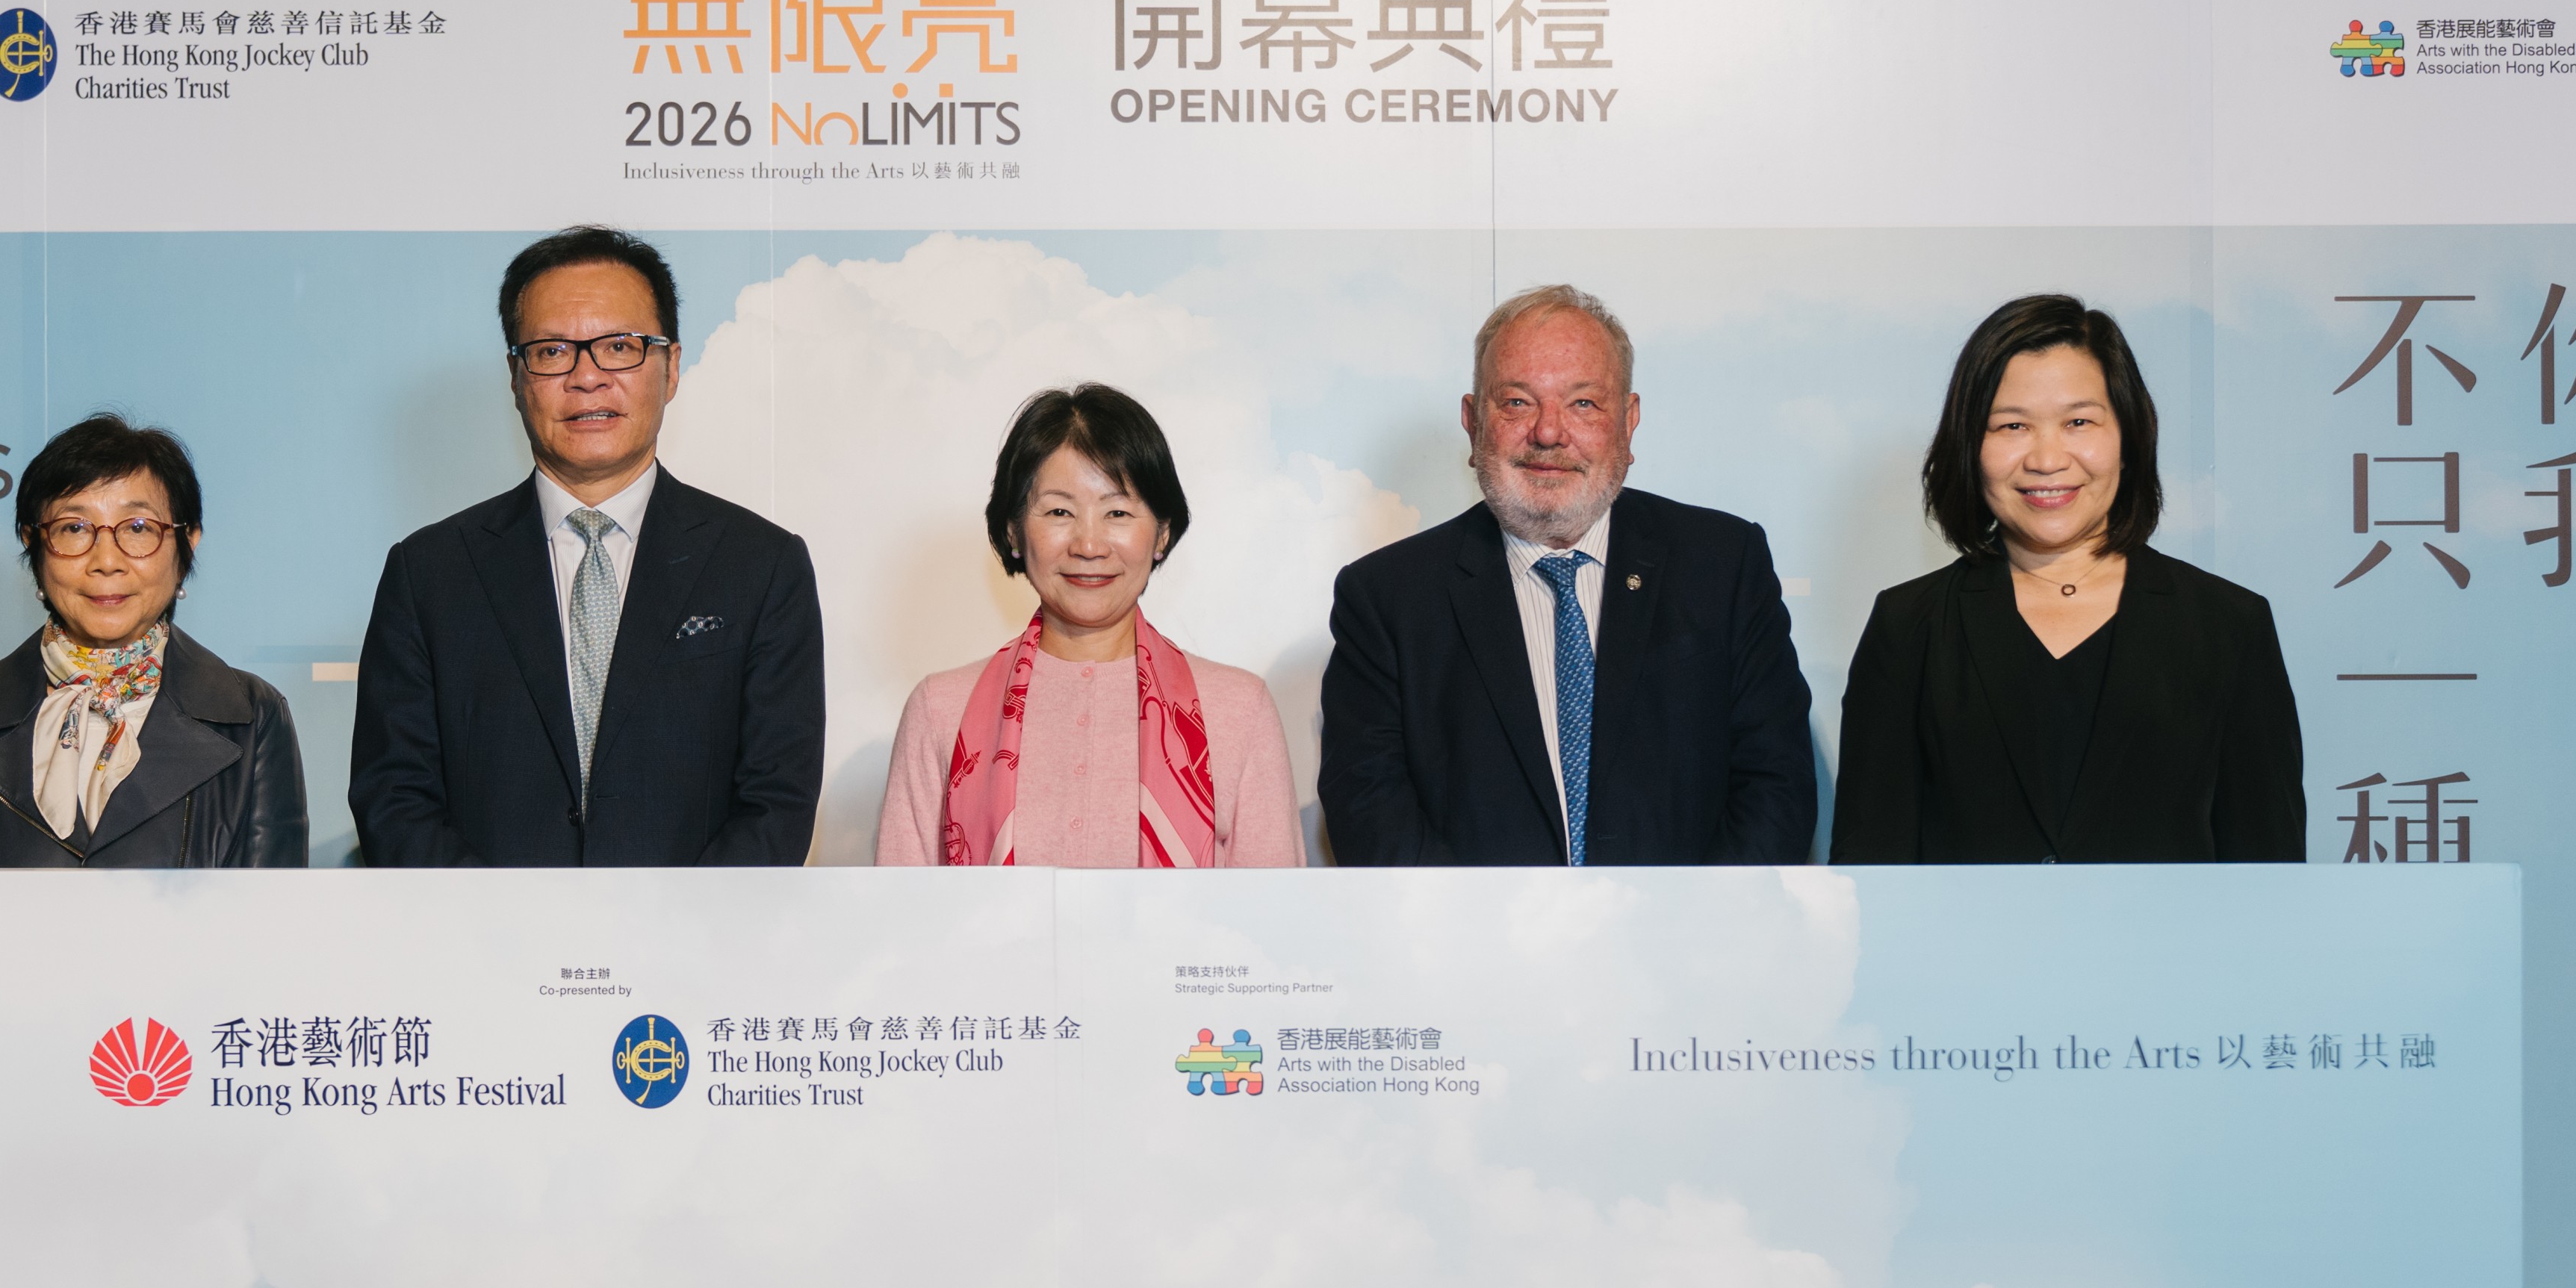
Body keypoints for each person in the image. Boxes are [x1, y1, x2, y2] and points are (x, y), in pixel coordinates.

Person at [350, 227, 827, 866]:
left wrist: (674, 943)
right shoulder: (428, 574)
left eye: (619, 347)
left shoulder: (762, 566)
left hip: (693, 953)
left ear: (672, 366)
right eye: (551, 352)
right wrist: (506, 939)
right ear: (517, 378)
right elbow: (394, 798)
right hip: (483, 953)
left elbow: (776, 800)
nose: (587, 377)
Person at [1317, 284, 1815, 865]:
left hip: (1690, 944)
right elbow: (1370, 810)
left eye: (1583, 403)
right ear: (1473, 421)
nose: (1549, 434)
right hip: (1469, 950)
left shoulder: (1723, 566)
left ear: (1627, 422)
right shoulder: (1386, 599)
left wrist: (1695, 939)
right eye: (1517, 403)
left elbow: (1774, 786)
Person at [1830, 296, 2304, 862]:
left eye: (2078, 422)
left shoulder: (2228, 624)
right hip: (1969, 952)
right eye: (2011, 426)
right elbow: (1871, 866)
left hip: (2171, 953)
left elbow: (2266, 867)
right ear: (1969, 446)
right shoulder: (1909, 626)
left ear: (2127, 436)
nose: (2047, 458)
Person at [878, 387, 1303, 868]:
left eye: (1118, 512)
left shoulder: (1240, 711)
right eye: (1059, 511)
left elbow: (1274, 928)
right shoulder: (939, 711)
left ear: (1161, 532)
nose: (1089, 544)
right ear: (1015, 530)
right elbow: (902, 925)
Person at [0, 414, 305, 868]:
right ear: (33, 543)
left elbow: (271, 926)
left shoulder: (253, 718)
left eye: (138, 528)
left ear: (188, 544)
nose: (106, 561)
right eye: (74, 528)